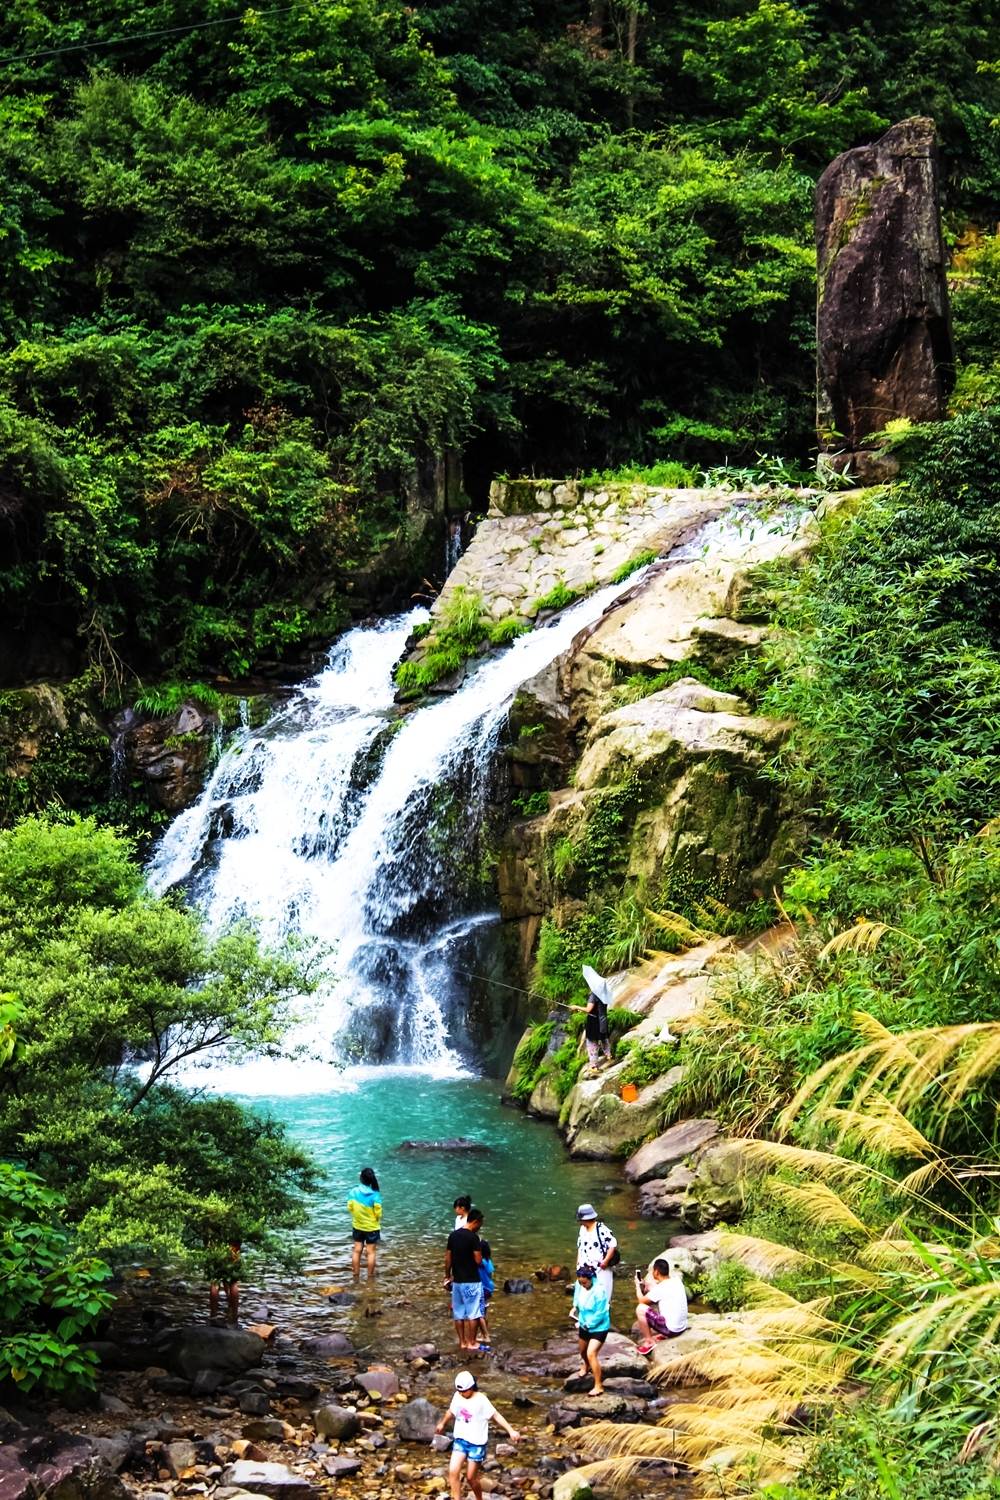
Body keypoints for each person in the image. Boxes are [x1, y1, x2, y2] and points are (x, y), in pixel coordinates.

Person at [435, 1370, 521, 1500]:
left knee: (471, 1478)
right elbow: (451, 1411)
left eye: (464, 1391)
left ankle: (479, 1498)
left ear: (471, 1387)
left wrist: (511, 1430)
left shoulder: (481, 1400)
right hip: (460, 1440)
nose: (461, 1394)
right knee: (453, 1471)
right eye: (459, 1391)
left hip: (476, 1444)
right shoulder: (458, 1396)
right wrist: (442, 1423)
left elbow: (496, 1415)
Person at [446, 1206, 486, 1350]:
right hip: (471, 1281)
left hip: (457, 1281)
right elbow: (477, 1260)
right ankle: (472, 1342)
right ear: (475, 1221)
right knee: (473, 1313)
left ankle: (462, 1342)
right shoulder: (473, 1238)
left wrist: (447, 1276)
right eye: (480, 1224)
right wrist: (483, 1262)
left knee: (459, 1314)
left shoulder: (453, 1235)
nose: (480, 1227)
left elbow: (448, 1258)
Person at [571, 1264, 611, 1397]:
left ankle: (598, 1385)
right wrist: (575, 1306)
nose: (582, 1285)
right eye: (580, 1282)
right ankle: (586, 1366)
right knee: (582, 1351)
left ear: (591, 1278)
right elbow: (577, 1293)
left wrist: (589, 1324)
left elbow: (601, 1313)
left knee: (591, 1353)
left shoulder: (599, 1291)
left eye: (584, 1282)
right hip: (584, 1323)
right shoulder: (579, 1284)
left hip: (599, 1326)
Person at [635, 1257, 688, 1353]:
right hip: (681, 1327)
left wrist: (637, 1286)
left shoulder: (661, 1288)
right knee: (665, 1305)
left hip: (672, 1330)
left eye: (653, 1271)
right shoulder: (676, 1280)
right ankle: (663, 1334)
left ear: (656, 1272)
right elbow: (665, 1292)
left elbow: (641, 1300)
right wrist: (652, 1288)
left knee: (640, 1309)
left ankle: (650, 1342)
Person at [568, 965, 613, 1068]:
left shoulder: (593, 996)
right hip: (603, 1022)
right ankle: (608, 1055)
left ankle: (594, 1066)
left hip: (594, 1023)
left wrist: (576, 1007)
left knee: (592, 1043)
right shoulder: (603, 994)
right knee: (604, 1038)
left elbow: (588, 1010)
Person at [575, 1203, 618, 1304]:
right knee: (585, 1294)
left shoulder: (601, 1229)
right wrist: (578, 1262)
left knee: (602, 1294)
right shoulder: (582, 1230)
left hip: (600, 1268)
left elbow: (612, 1244)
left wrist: (605, 1261)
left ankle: (602, 1316)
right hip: (585, 1269)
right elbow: (580, 1247)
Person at [348, 1167, 382, 1279]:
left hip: (358, 1226)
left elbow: (350, 1208)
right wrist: (375, 1218)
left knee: (357, 1251)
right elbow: (378, 1212)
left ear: (361, 1178)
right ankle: (370, 1276)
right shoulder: (375, 1195)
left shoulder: (353, 1192)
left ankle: (356, 1275)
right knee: (371, 1252)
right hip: (372, 1227)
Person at [208, 1239, 242, 1324]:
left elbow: (208, 1232)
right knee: (233, 1282)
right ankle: (234, 1316)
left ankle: (213, 1316)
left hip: (216, 1247)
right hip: (233, 1246)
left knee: (215, 1281)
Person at [475, 1235, 495, 1351]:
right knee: (484, 1312)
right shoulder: (488, 1261)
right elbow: (490, 1274)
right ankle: (482, 1334)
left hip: (481, 1288)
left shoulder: (480, 1262)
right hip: (488, 1288)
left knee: (479, 1313)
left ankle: (486, 1336)